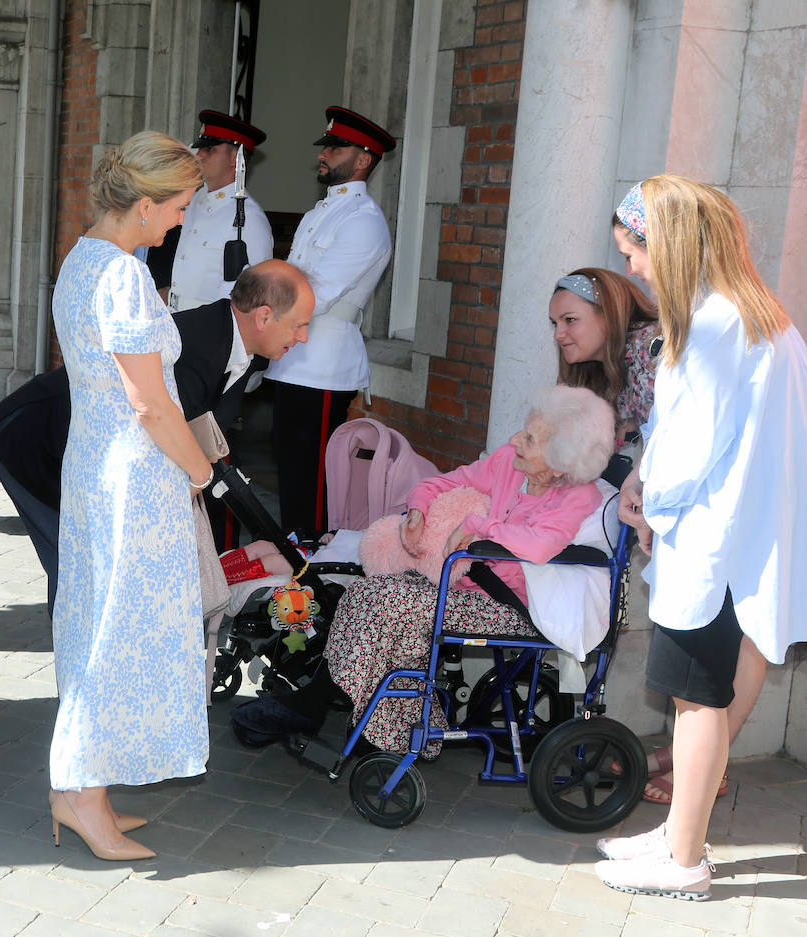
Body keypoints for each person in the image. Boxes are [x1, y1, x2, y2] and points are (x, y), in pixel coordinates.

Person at [595, 176, 807, 900]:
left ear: (673, 243)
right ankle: (680, 833)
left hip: (710, 544)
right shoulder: (766, 319)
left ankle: (684, 861)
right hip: (744, 541)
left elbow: (691, 443)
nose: (632, 269)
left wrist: (650, 499)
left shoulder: (715, 326)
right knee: (716, 688)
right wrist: (649, 476)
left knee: (696, 700)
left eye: (635, 253)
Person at [234, 386, 615, 752]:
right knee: (368, 592)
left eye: (530, 438)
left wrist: (475, 526)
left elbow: (539, 545)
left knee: (391, 604)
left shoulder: (578, 496)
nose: (515, 440)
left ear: (561, 461)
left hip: (509, 607)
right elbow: (443, 482)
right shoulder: (508, 465)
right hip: (465, 588)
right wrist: (417, 510)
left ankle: (313, 705)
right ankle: (379, 729)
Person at [48, 131, 209, 861]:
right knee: (117, 627)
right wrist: (200, 468)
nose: (179, 220)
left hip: (95, 464)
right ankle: (83, 795)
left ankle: (83, 785)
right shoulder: (123, 277)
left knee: (95, 617)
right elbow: (150, 402)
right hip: (134, 477)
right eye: (176, 207)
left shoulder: (83, 259)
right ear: (143, 206)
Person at [0, 259, 314, 614]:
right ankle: (84, 662)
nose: (303, 337)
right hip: (39, 442)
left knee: (99, 582)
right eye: (299, 325)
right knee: (82, 579)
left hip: (89, 456)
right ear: (264, 317)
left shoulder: (239, 344)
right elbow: (160, 436)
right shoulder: (197, 345)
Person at [263, 105, 395, 533]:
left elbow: (316, 294)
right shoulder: (322, 211)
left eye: (336, 147)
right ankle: (294, 582)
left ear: (363, 160)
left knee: (315, 484)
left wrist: (260, 313)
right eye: (326, 145)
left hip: (323, 362)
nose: (325, 153)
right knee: (290, 477)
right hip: (292, 358)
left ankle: (312, 581)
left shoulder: (364, 220)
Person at [165, 110, 274, 311]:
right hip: (175, 320)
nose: (199, 155)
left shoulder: (248, 218)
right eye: (200, 148)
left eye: (209, 149)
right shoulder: (195, 199)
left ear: (235, 157)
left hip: (210, 329)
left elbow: (251, 295)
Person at [549, 268, 659, 443]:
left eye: (570, 320)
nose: (558, 334)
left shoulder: (648, 348)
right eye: (554, 323)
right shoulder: (597, 369)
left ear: (607, 314)